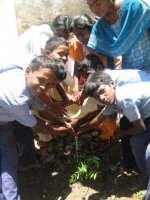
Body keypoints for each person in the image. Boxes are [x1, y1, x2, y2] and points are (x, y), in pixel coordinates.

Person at [0, 55, 67, 199]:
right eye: (41, 80)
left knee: (9, 157)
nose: (44, 87)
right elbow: (35, 125)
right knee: (7, 162)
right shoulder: (17, 97)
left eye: (49, 85)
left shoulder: (25, 72)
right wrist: (60, 130)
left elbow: (39, 105)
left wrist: (59, 119)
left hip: (3, 121)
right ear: (28, 71)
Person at [84, 71, 150, 185]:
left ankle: (146, 175)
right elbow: (100, 117)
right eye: (96, 97)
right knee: (125, 124)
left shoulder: (124, 99)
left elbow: (141, 129)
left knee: (137, 141)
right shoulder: (113, 99)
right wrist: (80, 129)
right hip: (145, 110)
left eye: (102, 91)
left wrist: (121, 133)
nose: (101, 98)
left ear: (112, 84)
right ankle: (131, 163)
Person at [86, 0, 150, 70]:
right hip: (131, 76)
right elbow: (94, 58)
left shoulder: (134, 7)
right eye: (90, 5)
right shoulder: (100, 27)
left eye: (98, 3)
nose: (94, 9)